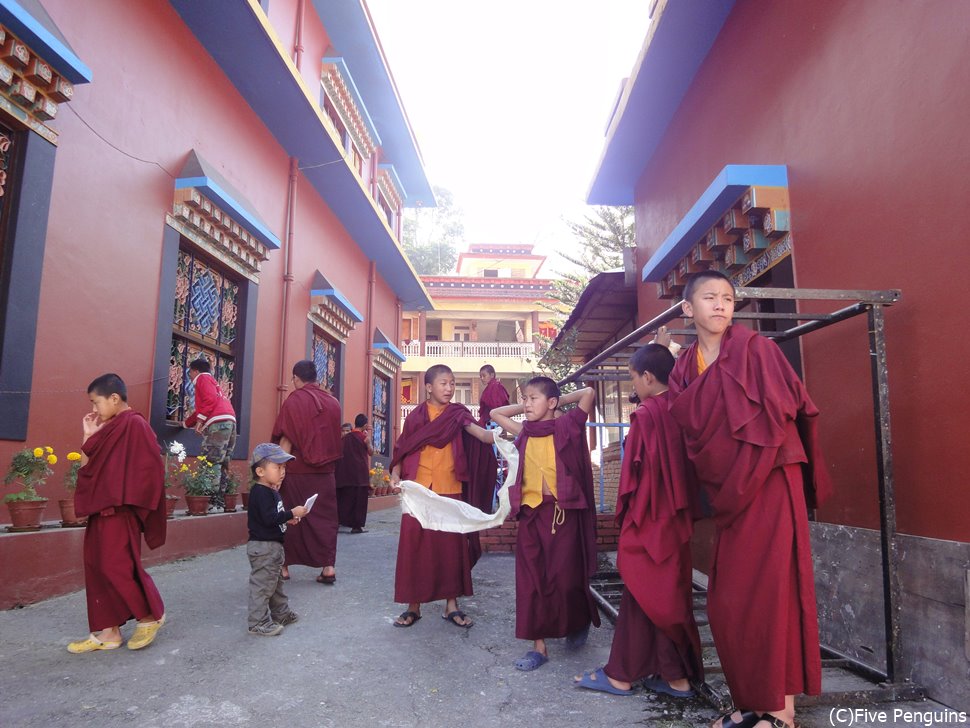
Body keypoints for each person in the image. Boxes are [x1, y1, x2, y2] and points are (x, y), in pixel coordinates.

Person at [667, 270, 832, 728]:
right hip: (729, 490)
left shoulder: (757, 350)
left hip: (771, 479)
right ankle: (750, 700)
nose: (720, 305)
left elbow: (787, 407)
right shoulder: (684, 368)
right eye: (708, 297)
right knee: (729, 600)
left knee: (773, 591)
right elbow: (693, 431)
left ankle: (781, 712)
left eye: (727, 298)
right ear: (688, 309)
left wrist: (752, 458)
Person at [574, 344, 703, 696]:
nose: (633, 384)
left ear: (647, 376)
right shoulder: (681, 408)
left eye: (632, 377)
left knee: (645, 594)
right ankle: (675, 677)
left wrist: (627, 514)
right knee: (664, 597)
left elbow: (636, 475)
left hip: (650, 518)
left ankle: (623, 675)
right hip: (676, 518)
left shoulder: (646, 415)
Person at [489, 378, 601, 672]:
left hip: (562, 513)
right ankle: (538, 646)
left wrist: (554, 400)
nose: (526, 404)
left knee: (565, 578)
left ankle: (578, 620)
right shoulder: (525, 430)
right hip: (531, 514)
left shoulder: (569, 426)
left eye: (533, 399)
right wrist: (534, 403)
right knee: (531, 580)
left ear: (552, 403)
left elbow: (588, 392)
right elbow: (495, 414)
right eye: (524, 398)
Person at [67, 373, 167, 653]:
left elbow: (152, 468)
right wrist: (88, 437)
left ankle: (149, 617)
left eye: (95, 402)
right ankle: (109, 632)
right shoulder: (108, 428)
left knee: (117, 566)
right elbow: (88, 468)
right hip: (101, 510)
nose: (94, 409)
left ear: (114, 398)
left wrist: (134, 505)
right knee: (97, 567)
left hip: (121, 512)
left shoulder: (134, 424)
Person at [389, 364, 494, 629]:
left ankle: (451, 605)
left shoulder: (458, 415)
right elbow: (403, 448)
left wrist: (515, 430)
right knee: (415, 547)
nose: (449, 389)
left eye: (452, 383)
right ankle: (414, 606)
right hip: (418, 489)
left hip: (450, 486)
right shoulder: (414, 417)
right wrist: (395, 474)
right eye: (443, 383)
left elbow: (482, 435)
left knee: (450, 548)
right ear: (428, 387)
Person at [272, 360, 343, 584]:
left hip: (297, 472)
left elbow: (286, 439)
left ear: (296, 378)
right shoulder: (333, 403)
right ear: (316, 378)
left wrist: (277, 473)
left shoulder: (294, 400)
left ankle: (283, 567)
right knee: (324, 520)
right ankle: (328, 567)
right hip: (325, 474)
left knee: (290, 517)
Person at [246, 443, 309, 636]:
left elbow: (272, 517)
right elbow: (268, 518)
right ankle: (257, 622)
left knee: (275, 584)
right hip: (264, 547)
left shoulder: (271, 491)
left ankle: (280, 613)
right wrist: (291, 512)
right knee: (263, 586)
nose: (282, 472)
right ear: (260, 471)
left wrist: (288, 519)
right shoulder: (260, 492)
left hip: (272, 547)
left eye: (284, 468)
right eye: (277, 467)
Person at [183, 357, 237, 509]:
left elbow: (208, 401)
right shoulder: (214, 382)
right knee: (224, 462)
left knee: (211, 461)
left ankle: (208, 500)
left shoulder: (202, 378)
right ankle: (220, 499)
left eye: (190, 372)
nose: (190, 376)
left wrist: (200, 422)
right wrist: (186, 423)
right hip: (230, 421)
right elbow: (206, 406)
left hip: (218, 423)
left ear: (195, 370)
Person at [335, 414, 373, 533]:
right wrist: (368, 443)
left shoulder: (345, 438)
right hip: (360, 474)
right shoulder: (364, 438)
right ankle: (356, 526)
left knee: (344, 499)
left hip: (344, 474)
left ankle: (339, 522)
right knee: (359, 501)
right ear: (365, 425)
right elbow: (371, 453)